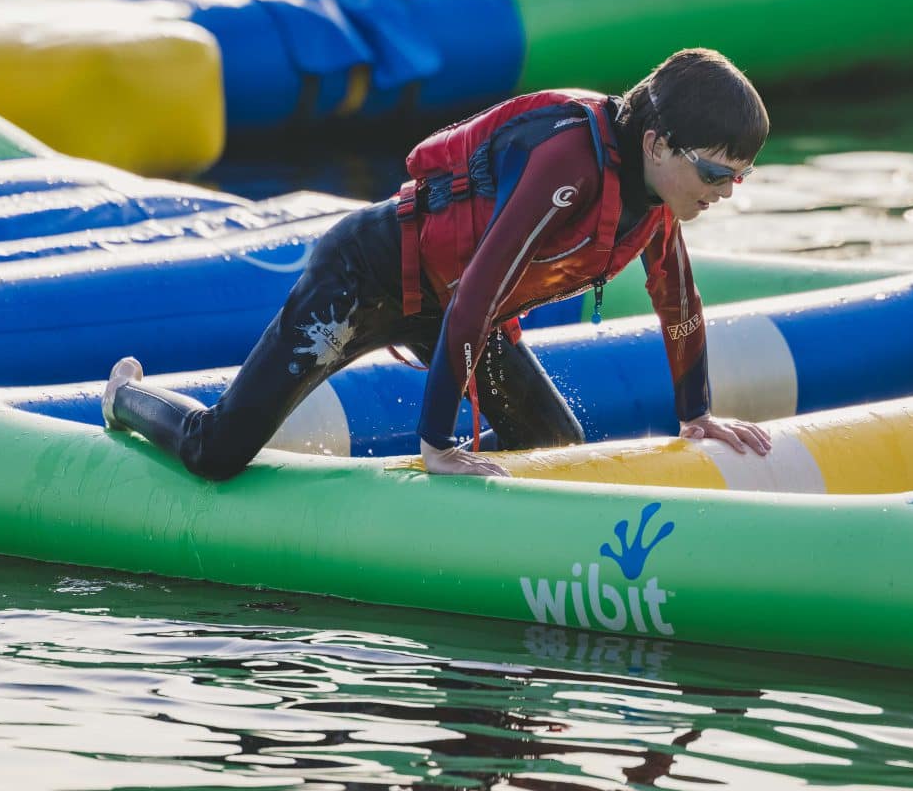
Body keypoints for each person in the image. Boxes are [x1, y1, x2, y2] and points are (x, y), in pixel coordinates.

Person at [102, 47, 774, 478]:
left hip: (449, 310)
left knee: (554, 449)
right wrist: (437, 446)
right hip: (365, 277)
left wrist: (697, 415)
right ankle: (125, 395)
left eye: (739, 179)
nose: (723, 194)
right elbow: (477, 294)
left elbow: (678, 299)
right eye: (716, 172)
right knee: (218, 453)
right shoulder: (569, 160)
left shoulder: (657, 203)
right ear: (657, 144)